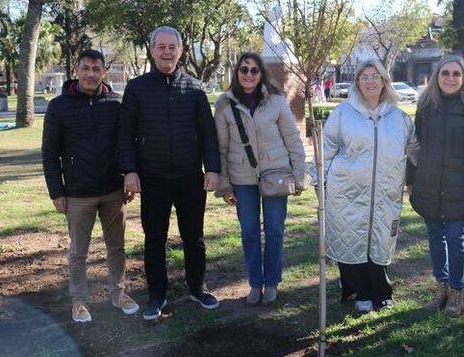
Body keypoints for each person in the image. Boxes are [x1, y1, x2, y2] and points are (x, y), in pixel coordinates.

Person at [119, 26, 222, 321]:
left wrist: (212, 168)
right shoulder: (137, 88)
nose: (166, 52)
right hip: (153, 178)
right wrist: (129, 171)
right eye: (161, 47)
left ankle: (197, 287)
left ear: (181, 51)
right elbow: (125, 135)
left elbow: (207, 134)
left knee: (194, 237)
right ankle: (157, 294)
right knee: (154, 239)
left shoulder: (194, 88)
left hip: (190, 176)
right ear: (151, 50)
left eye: (171, 47)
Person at [42, 49, 139, 323]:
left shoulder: (115, 103)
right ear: (76, 70)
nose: (91, 74)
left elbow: (125, 144)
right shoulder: (59, 106)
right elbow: (50, 153)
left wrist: (128, 176)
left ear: (104, 72)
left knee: (117, 247)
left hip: (112, 190)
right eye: (85, 68)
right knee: (78, 252)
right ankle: (79, 301)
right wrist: (57, 192)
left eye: (96, 69)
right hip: (77, 193)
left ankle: (118, 293)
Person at [317, 59, 417, 312]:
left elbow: (415, 152)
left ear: (384, 80)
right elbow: (326, 150)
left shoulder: (400, 118)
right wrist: (321, 183)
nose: (371, 81)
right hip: (347, 191)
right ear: (358, 83)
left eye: (375, 76)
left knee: (380, 240)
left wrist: (414, 180)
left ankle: (381, 291)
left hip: (385, 193)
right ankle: (359, 291)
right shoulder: (342, 114)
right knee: (352, 240)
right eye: (365, 77)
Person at [214, 52, 307, 306]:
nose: (249, 74)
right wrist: (224, 185)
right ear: (236, 72)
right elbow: (220, 149)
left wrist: (299, 175)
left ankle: (272, 282)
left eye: (254, 70)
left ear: (261, 73)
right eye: (244, 69)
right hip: (242, 178)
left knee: (275, 230)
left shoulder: (276, 101)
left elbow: (292, 139)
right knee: (250, 232)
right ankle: (255, 283)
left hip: (275, 174)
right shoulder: (224, 105)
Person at [407, 55, 464, 317]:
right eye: (446, 73)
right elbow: (414, 148)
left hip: (460, 187)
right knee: (435, 237)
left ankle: (457, 290)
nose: (451, 78)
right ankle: (441, 287)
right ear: (437, 76)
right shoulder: (425, 107)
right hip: (429, 184)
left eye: (457, 74)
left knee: (455, 238)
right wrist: (411, 180)